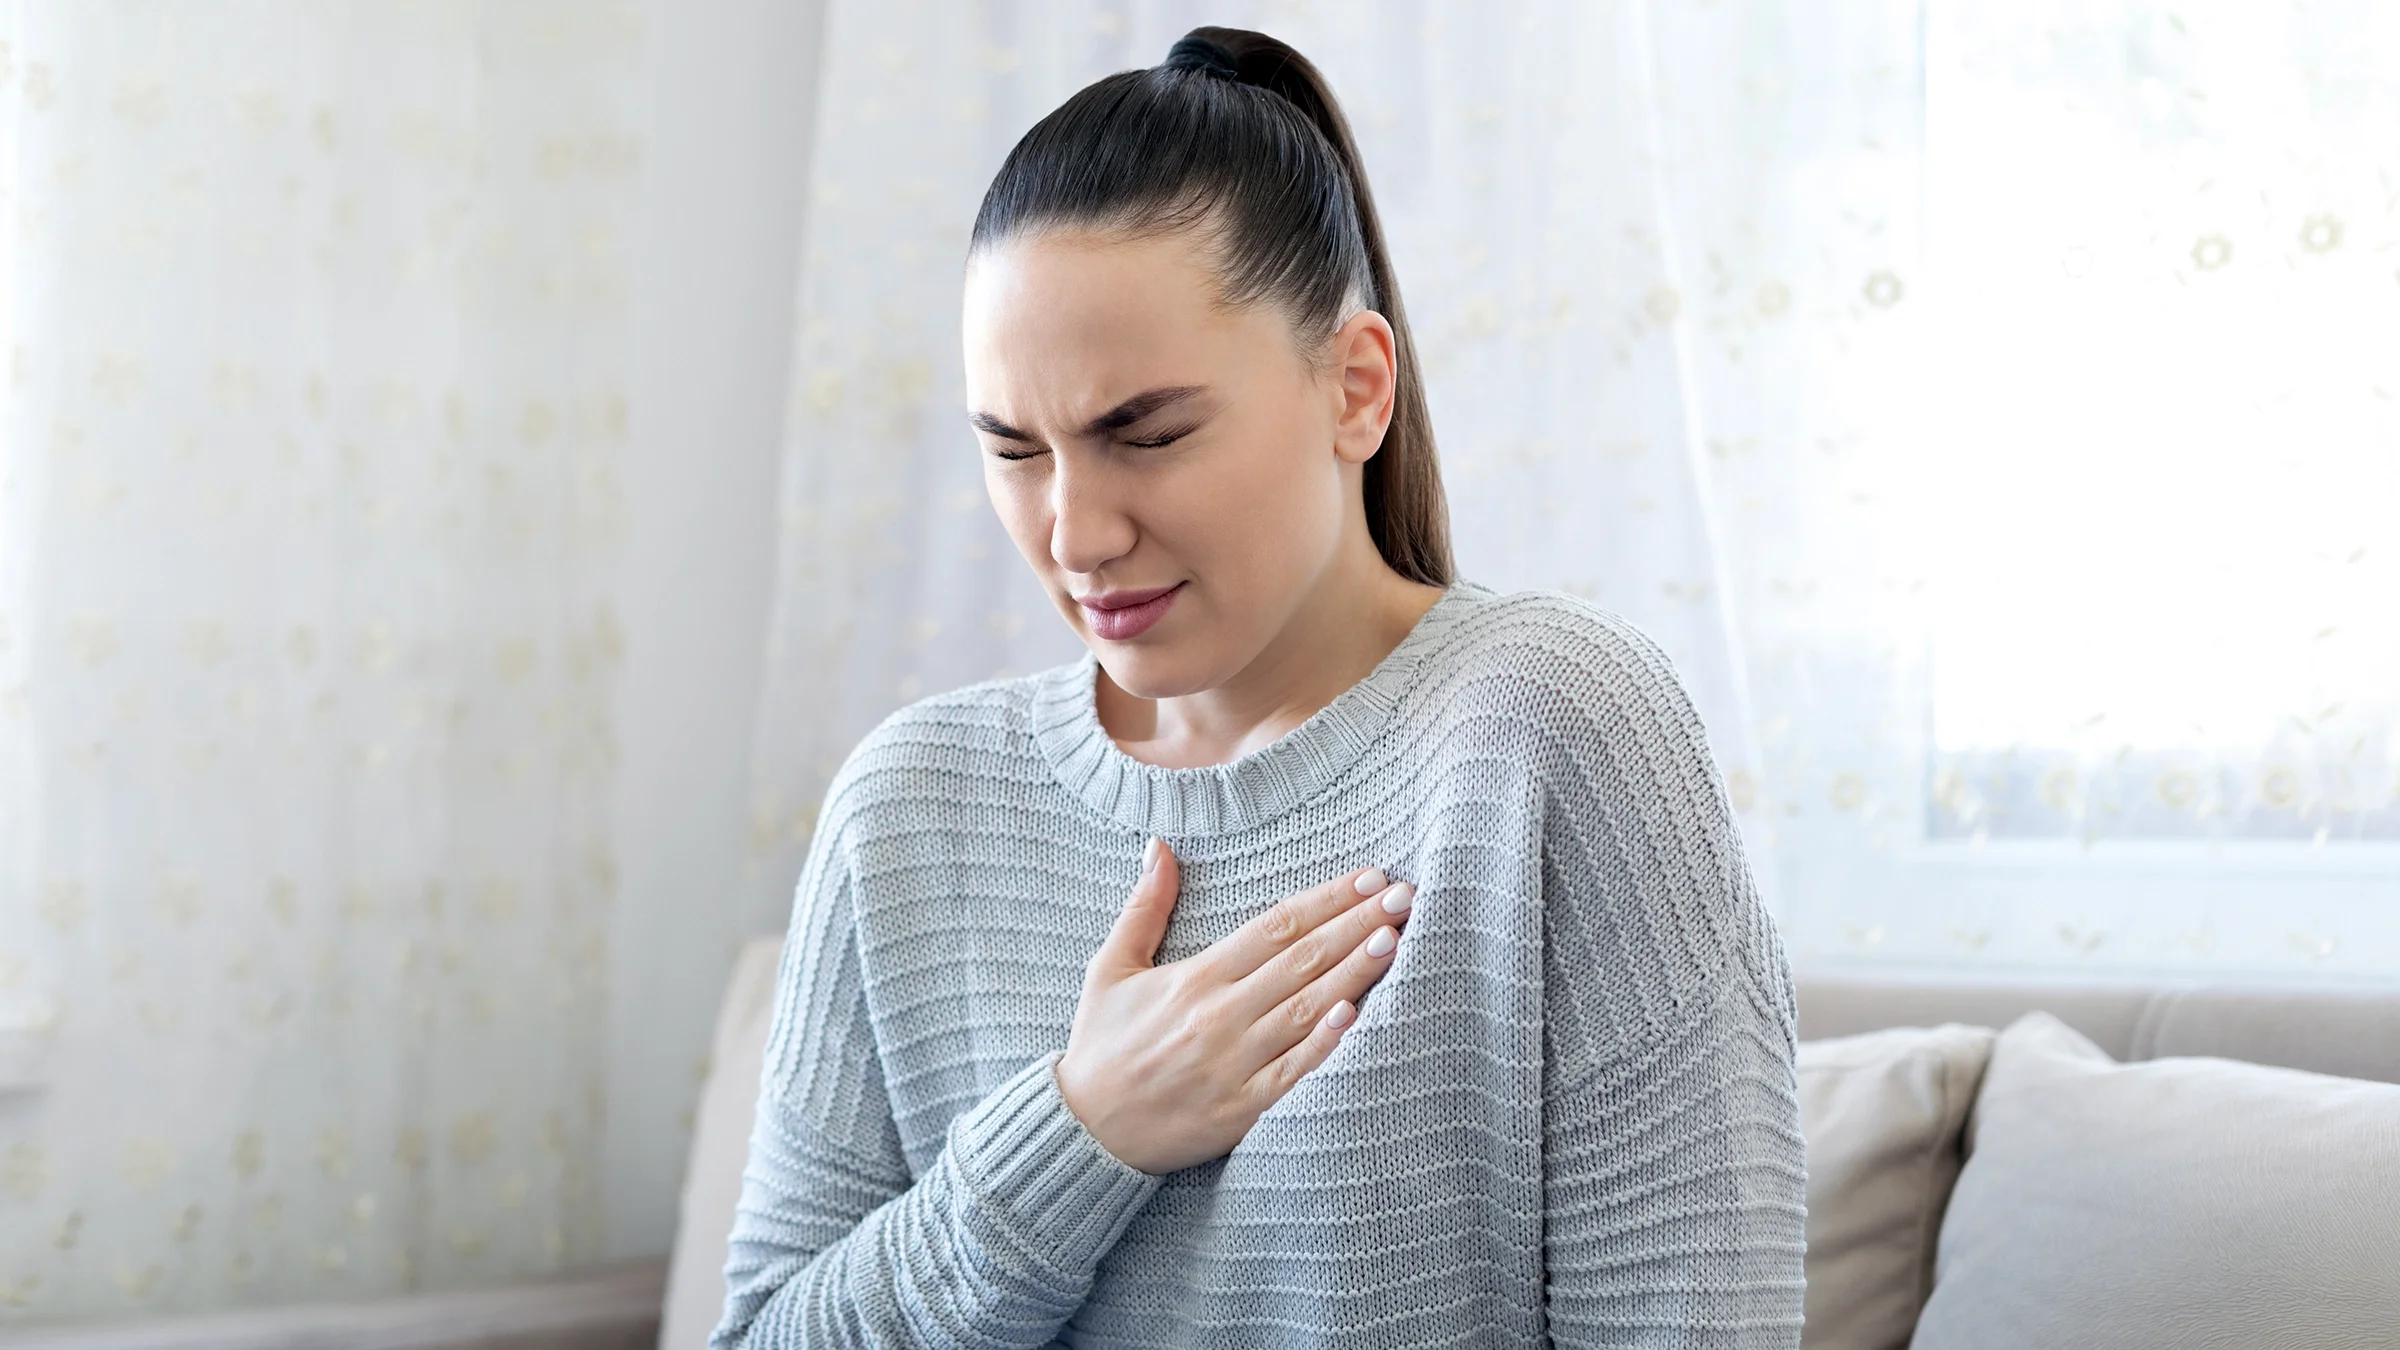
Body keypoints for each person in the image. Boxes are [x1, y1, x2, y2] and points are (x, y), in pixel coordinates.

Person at [712, 26, 1804, 1350]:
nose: (1074, 533)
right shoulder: (907, 807)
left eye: (1149, 434)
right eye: (1015, 450)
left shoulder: (1554, 735)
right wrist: (1081, 1130)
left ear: (1355, 389)